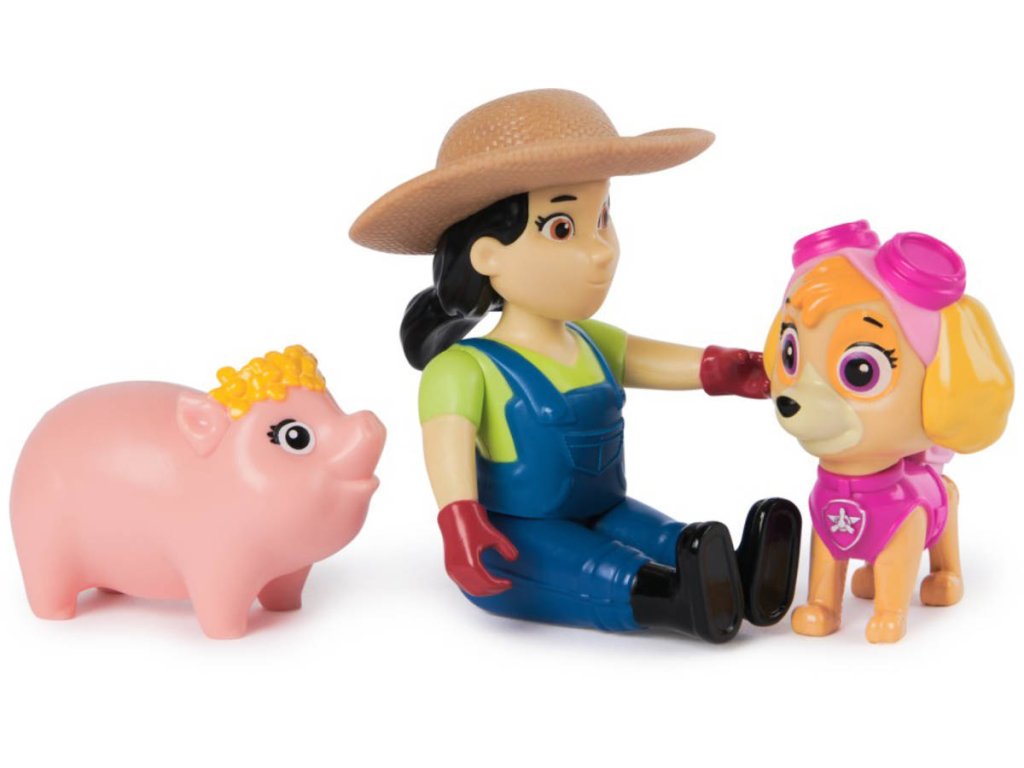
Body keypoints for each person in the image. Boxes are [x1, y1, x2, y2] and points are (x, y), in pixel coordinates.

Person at [350, 89, 800, 643]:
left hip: (607, 507)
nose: (602, 249)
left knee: (670, 536)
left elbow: (652, 358)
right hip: (515, 539)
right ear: (487, 255)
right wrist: (460, 522)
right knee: (601, 570)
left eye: (602, 217)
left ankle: (737, 573)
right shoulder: (464, 370)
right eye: (563, 228)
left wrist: (719, 369)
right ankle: (679, 603)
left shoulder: (590, 341)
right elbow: (445, 453)